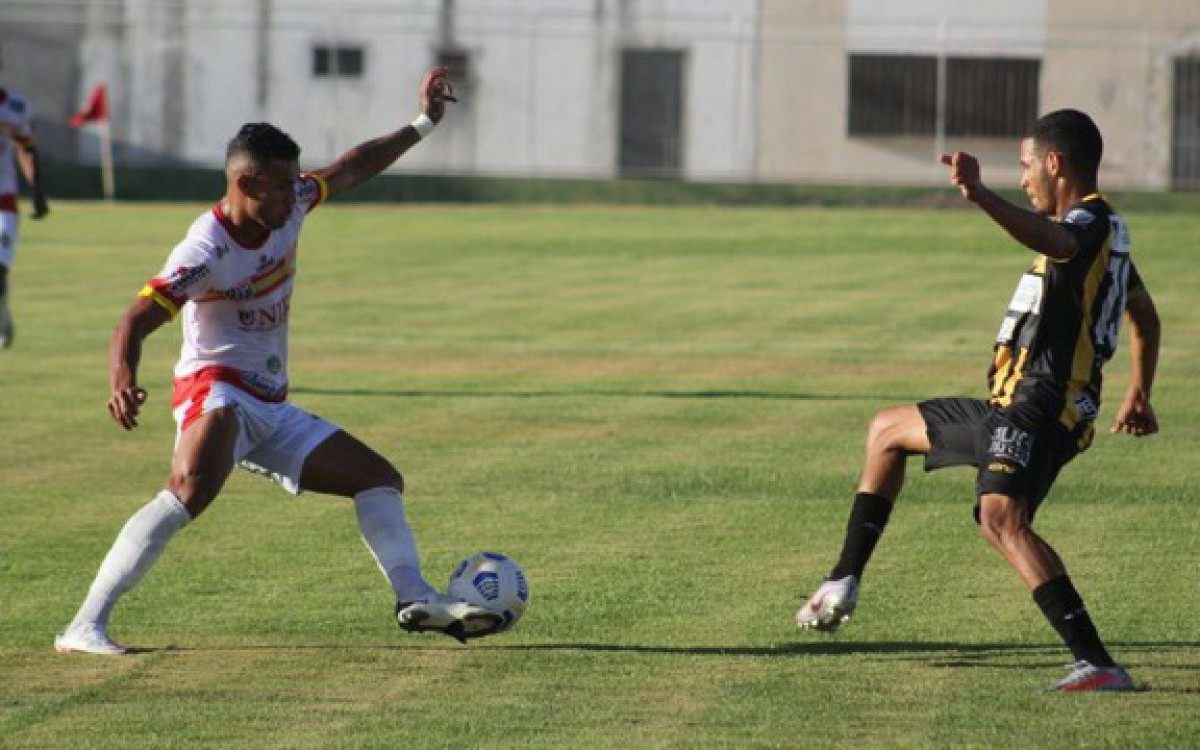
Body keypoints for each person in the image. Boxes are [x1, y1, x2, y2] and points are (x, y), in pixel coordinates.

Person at [55, 67, 504, 655]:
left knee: (378, 479)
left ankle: (413, 596)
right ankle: (85, 626)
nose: (298, 190)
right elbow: (136, 318)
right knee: (186, 491)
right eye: (284, 181)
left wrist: (423, 123)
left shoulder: (288, 205)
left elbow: (350, 166)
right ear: (247, 183)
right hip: (214, 390)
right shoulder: (205, 249)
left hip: (268, 403)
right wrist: (123, 380)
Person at [794, 109, 1161, 692]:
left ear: (1054, 164)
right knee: (888, 430)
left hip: (1042, 406)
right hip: (1014, 405)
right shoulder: (1109, 238)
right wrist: (1138, 393)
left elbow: (1057, 240)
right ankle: (844, 580)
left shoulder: (1086, 223)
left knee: (1001, 519)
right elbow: (1145, 316)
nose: (1023, 179)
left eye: (1025, 166)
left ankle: (1099, 664)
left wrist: (981, 196)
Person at [0, 50, 50, 349]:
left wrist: (38, 192)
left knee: (0, 266)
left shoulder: (15, 107)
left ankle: (1, 311)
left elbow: (26, 149)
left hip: (3, 199)